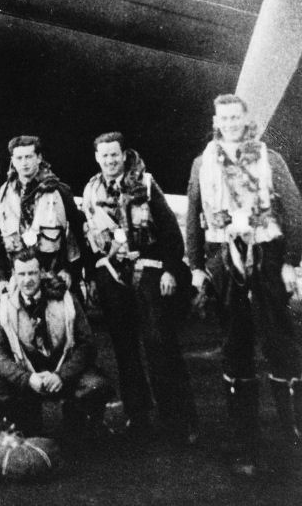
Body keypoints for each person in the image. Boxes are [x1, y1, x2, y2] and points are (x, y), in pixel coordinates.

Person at [186, 93, 302, 475]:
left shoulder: (270, 158)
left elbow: (296, 210)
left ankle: (293, 434)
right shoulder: (202, 163)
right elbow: (192, 218)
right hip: (224, 260)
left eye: (237, 117)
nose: (231, 123)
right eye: (224, 118)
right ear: (216, 121)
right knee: (235, 347)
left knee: (281, 342)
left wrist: (290, 262)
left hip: (267, 258)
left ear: (246, 119)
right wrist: (198, 267)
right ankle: (244, 443)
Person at [82, 132, 197, 443]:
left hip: (148, 271)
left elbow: (172, 232)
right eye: (104, 155)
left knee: (160, 343)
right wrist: (92, 277)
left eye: (114, 154)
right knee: (124, 348)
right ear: (97, 157)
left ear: (124, 154)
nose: (110, 160)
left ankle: (179, 419)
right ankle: (138, 416)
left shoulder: (144, 184)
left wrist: (172, 269)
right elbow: (88, 240)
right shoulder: (91, 191)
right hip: (111, 276)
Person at [0, 248, 113, 438]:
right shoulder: (4, 305)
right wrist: (26, 378)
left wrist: (62, 375)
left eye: (32, 273)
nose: (27, 279)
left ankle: (75, 416)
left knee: (97, 385)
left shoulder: (66, 298)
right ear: (13, 275)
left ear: (42, 273)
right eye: (21, 274)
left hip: (63, 373)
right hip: (27, 378)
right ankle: (23, 416)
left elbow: (87, 344)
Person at [0, 135, 85, 303]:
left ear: (39, 158)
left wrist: (70, 272)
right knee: (4, 320)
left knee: (72, 319)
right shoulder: (3, 195)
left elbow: (79, 235)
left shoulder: (60, 192)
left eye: (29, 156)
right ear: (13, 161)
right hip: (20, 280)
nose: (24, 163)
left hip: (54, 277)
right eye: (19, 158)